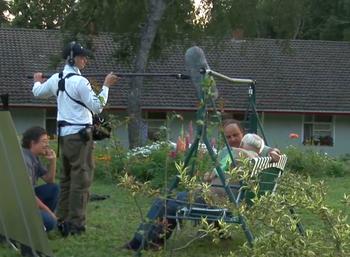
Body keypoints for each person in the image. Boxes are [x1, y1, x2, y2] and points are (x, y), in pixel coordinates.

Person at [123, 119, 281, 251]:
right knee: (172, 200)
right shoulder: (239, 153)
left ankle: (144, 242)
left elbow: (263, 149)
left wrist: (273, 151)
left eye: (236, 135)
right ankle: (157, 239)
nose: (232, 139)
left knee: (165, 202)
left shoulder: (240, 152)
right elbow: (259, 150)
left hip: (218, 199)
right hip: (220, 195)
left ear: (243, 134)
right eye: (229, 136)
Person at [32, 41, 119, 236]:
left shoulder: (56, 79)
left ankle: (61, 219)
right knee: (82, 179)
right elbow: (97, 106)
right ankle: (76, 225)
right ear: (73, 58)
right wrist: (106, 86)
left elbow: (37, 92)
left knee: (67, 179)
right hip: (80, 138)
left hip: (64, 137)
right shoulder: (80, 82)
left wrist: (37, 80)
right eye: (82, 57)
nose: (85, 60)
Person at [22, 126, 59, 232]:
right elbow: (27, 194)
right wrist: (50, 213)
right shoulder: (24, 159)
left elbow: (49, 180)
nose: (47, 145)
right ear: (33, 143)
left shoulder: (34, 157)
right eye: (44, 141)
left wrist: (53, 161)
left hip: (29, 199)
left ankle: (40, 218)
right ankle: (36, 223)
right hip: (21, 202)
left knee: (54, 188)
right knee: (50, 221)